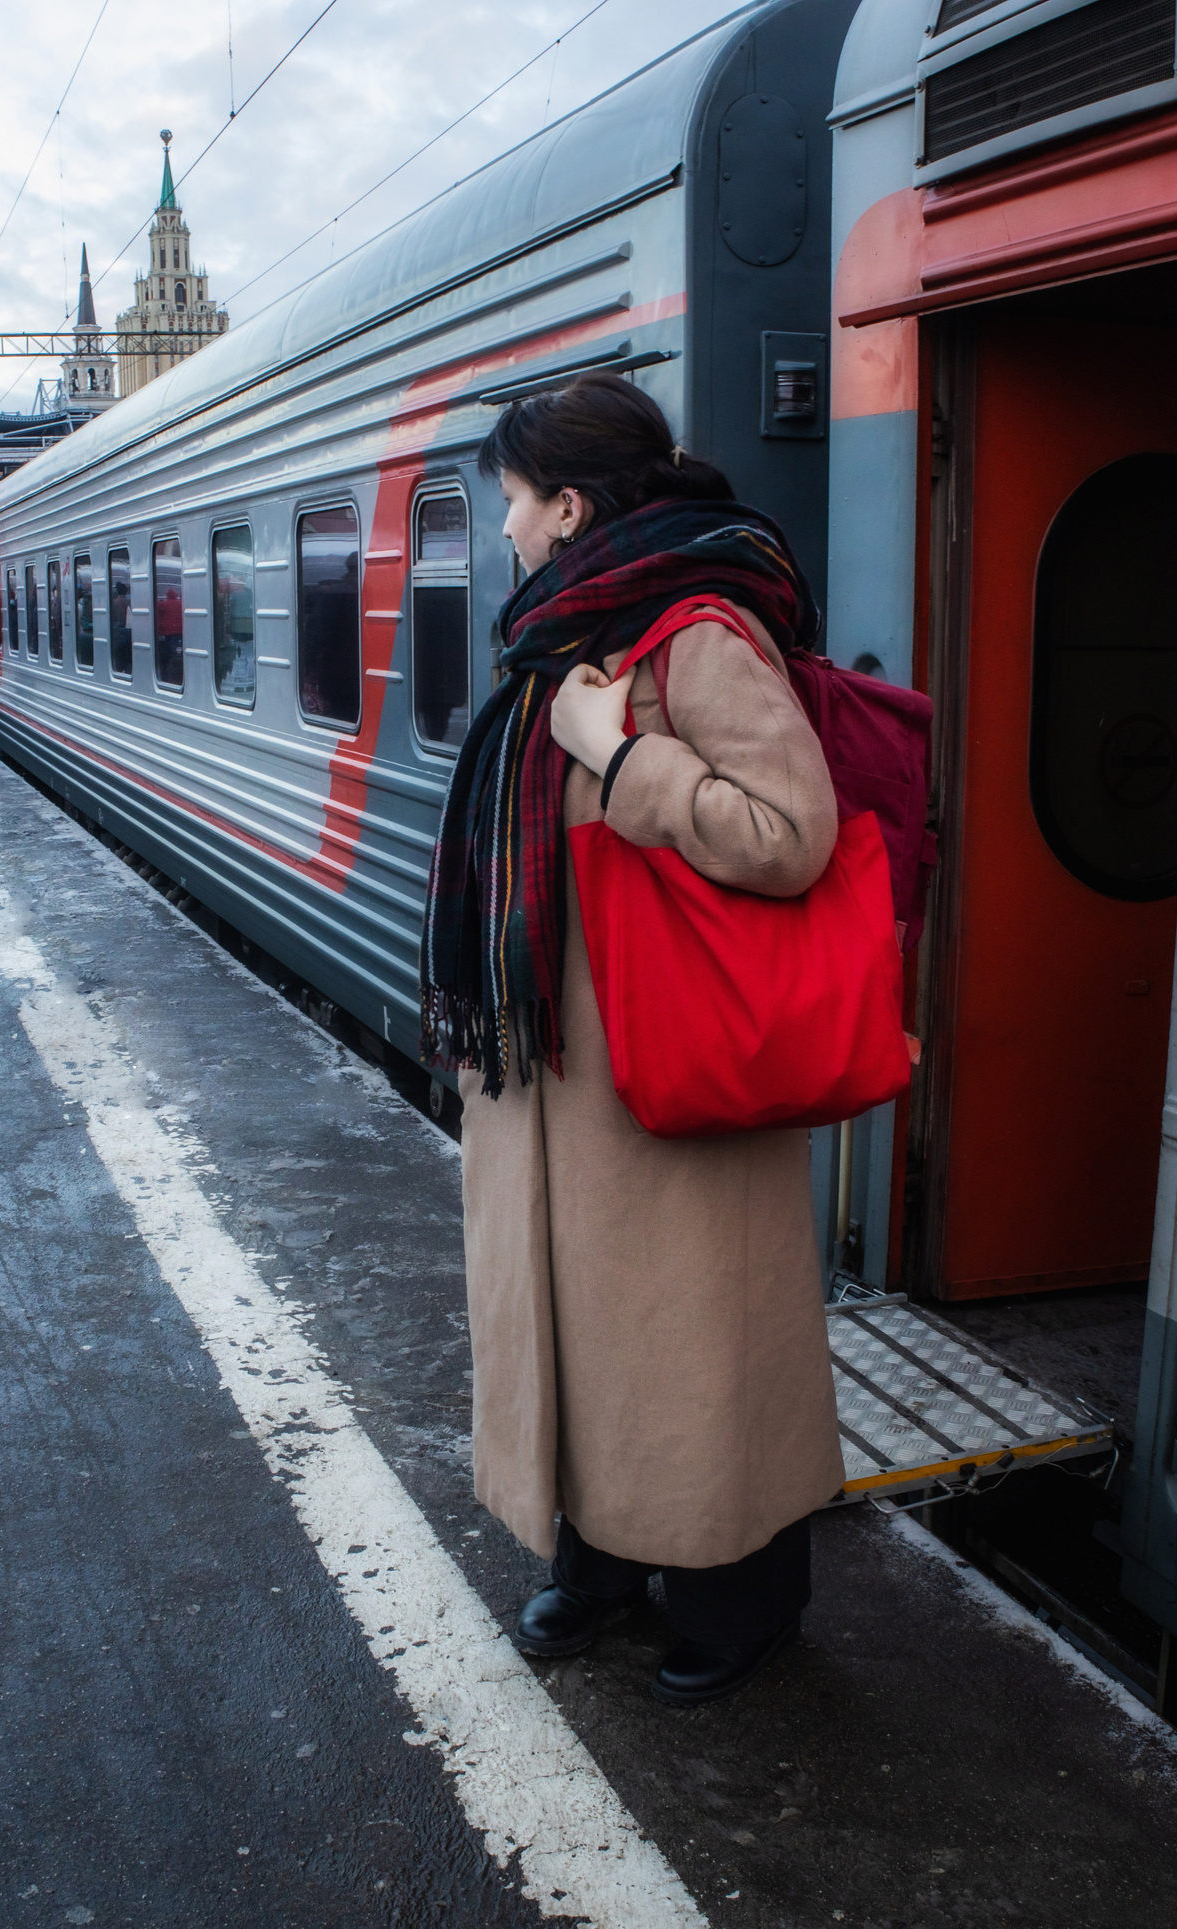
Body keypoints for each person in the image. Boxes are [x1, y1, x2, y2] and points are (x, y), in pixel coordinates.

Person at [420, 375, 842, 1706]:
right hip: (555, 1067)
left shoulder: (700, 635)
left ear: (573, 506)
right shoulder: (561, 634)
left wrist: (621, 759)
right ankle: (596, 1557)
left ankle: (743, 1598)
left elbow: (792, 836)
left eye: (514, 506)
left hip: (669, 1068)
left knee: (691, 1352)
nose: (506, 534)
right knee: (577, 1331)